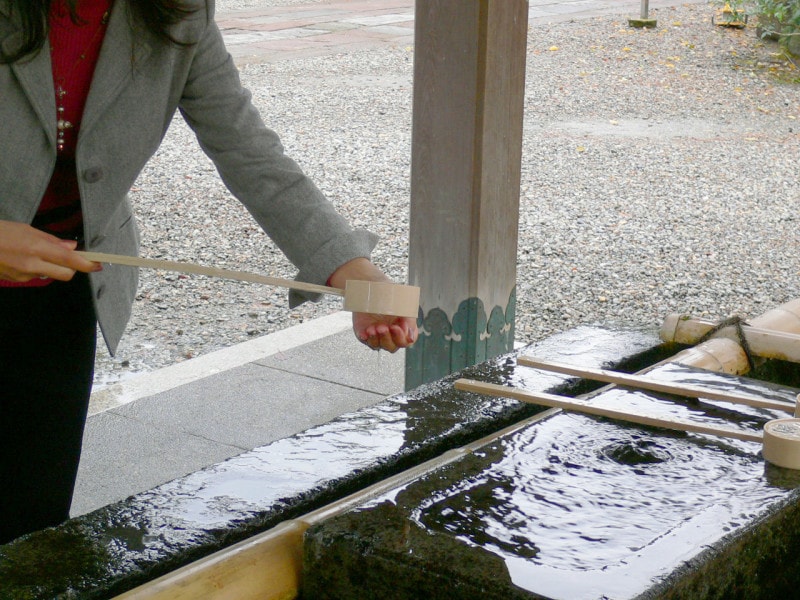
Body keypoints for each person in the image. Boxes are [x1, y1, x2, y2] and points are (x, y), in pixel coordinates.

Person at [0, 0, 418, 545]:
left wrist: (358, 275)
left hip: (60, 291)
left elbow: (248, 148)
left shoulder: (174, 12)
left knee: (28, 521)